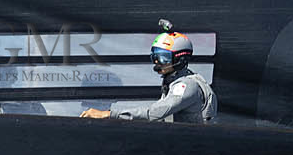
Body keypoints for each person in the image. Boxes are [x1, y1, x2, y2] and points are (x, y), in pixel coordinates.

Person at [82, 20, 217, 123]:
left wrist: (108, 114)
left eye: (164, 58)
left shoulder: (186, 86)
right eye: (156, 56)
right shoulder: (174, 81)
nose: (157, 62)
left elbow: (154, 113)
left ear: (180, 59)